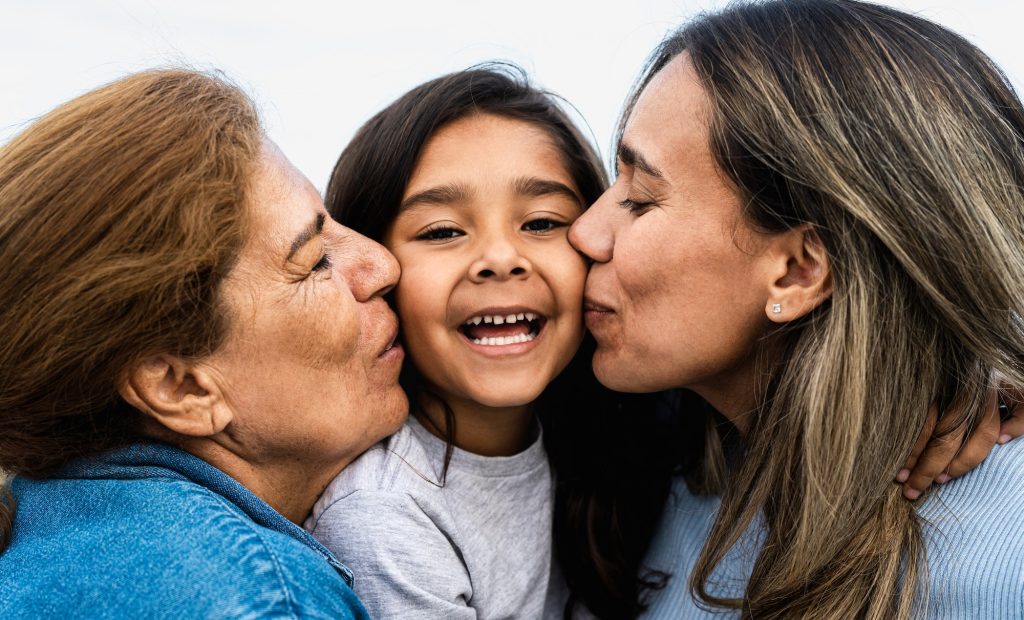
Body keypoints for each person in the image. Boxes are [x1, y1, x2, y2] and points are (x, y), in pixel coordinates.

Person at [567, 0, 1024, 617]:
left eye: (641, 199)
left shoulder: (1003, 553)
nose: (585, 234)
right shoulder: (651, 465)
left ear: (799, 271)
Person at [0, 69, 408, 618]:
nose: (383, 265)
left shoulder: (44, 526)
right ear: (181, 387)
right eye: (315, 261)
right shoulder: (264, 600)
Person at [305, 64, 675, 619]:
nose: (501, 258)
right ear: (375, 268)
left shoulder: (620, 431)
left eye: (542, 222)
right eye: (443, 231)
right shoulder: (383, 517)